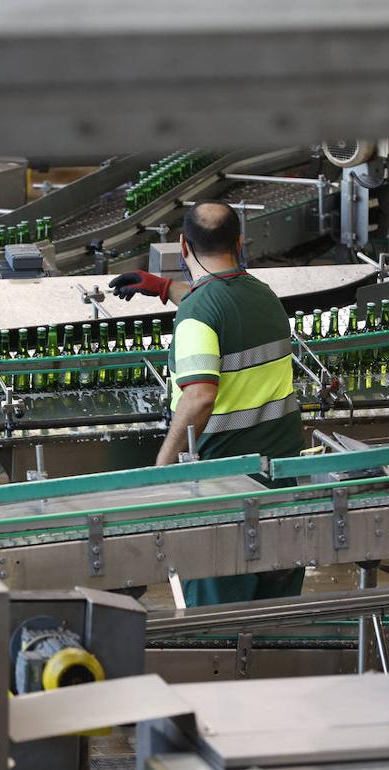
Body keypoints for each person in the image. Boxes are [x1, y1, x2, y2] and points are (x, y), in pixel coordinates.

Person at [108, 201, 305, 606]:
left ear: (183, 246)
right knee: (280, 625)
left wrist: (161, 469)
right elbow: (223, 304)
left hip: (227, 498)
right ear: (240, 242)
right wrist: (163, 288)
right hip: (283, 487)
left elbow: (199, 397)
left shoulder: (197, 316)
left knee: (218, 635)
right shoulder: (265, 296)